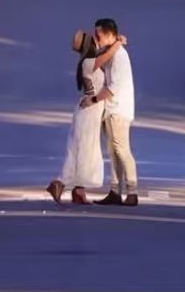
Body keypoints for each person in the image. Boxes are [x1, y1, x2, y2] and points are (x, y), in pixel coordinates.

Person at [47, 28, 127, 205]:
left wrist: (114, 42)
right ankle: (60, 183)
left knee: (83, 150)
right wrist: (118, 43)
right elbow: (108, 55)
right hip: (88, 112)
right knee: (84, 151)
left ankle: (78, 191)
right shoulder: (90, 62)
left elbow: (105, 55)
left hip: (89, 112)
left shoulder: (87, 61)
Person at [87, 18, 138, 207]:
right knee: (113, 151)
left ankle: (132, 191)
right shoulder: (112, 53)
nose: (96, 38)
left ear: (109, 34)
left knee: (121, 149)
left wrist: (93, 100)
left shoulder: (119, 56)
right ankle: (115, 191)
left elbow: (114, 87)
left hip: (118, 109)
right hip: (111, 109)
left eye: (99, 35)